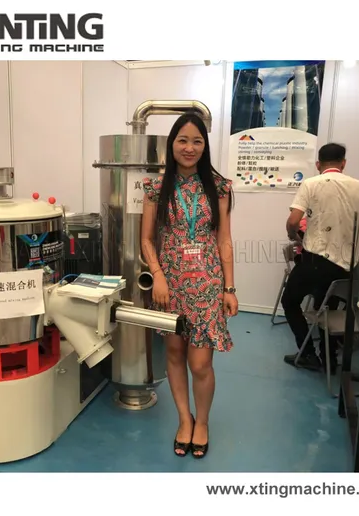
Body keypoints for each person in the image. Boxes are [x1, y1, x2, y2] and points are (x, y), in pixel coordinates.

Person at [141, 113, 238, 459]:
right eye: (182, 140)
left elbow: (224, 240)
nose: (189, 147)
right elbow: (147, 239)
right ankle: (185, 419)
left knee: (200, 363)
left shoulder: (219, 186)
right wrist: (158, 275)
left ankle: (203, 421)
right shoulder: (155, 188)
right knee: (174, 354)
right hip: (170, 286)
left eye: (197, 141)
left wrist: (229, 287)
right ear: (172, 144)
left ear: (205, 146)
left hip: (208, 284)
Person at [281, 143, 359, 372]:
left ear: (318, 164)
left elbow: (294, 220)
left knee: (289, 301)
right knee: (327, 307)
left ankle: (308, 354)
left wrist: (294, 235)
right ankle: (329, 360)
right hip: (347, 265)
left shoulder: (311, 184)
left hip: (316, 261)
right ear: (343, 163)